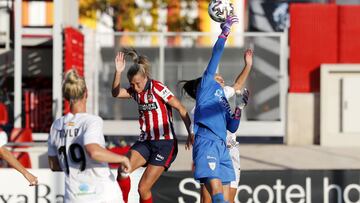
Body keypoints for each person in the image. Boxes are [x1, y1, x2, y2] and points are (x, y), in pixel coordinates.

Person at [112, 49, 193, 203]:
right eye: (131, 84)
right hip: (146, 142)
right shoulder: (135, 92)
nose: (135, 87)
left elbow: (181, 108)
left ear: (145, 77)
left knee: (143, 188)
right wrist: (118, 72)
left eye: (138, 83)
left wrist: (191, 132)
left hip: (165, 144)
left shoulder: (157, 87)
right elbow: (115, 93)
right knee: (123, 170)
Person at [185, 15, 245, 203]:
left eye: (220, 77)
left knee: (225, 197)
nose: (219, 78)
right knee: (214, 193)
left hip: (222, 147)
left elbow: (232, 127)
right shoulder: (206, 87)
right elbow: (216, 54)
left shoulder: (223, 100)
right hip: (206, 142)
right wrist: (224, 33)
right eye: (216, 76)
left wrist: (239, 108)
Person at [48, 69, 131, 203]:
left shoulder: (56, 126)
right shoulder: (91, 121)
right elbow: (93, 151)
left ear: (66, 97)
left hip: (73, 197)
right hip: (101, 195)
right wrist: (122, 159)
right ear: (86, 93)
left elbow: (54, 165)